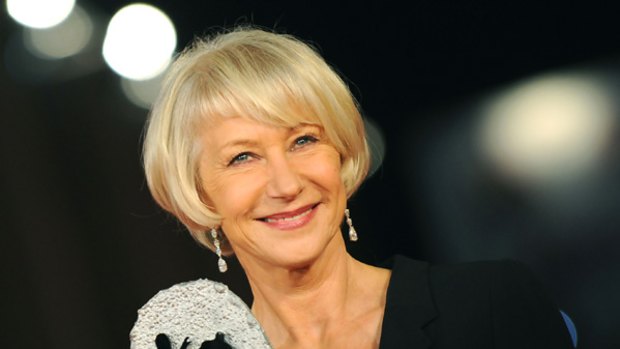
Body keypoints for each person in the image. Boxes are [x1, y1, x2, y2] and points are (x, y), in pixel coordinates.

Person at [130, 27, 574, 348]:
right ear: (200, 195)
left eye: (303, 140)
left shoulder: (490, 304)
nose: (286, 184)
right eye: (243, 157)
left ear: (341, 153)